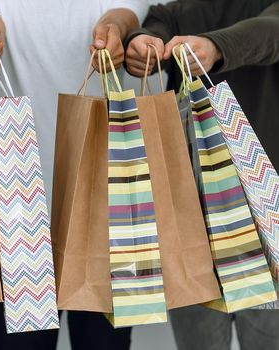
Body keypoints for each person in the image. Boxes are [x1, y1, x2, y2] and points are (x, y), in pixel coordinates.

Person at [0, 0, 148, 349]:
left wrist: (115, 27)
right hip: (22, 212)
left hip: (103, 216)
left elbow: (126, 15)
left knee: (101, 343)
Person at [124, 1, 279, 349]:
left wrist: (214, 47)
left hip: (266, 219)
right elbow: (152, 31)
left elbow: (270, 32)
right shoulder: (173, 12)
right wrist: (141, 43)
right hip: (190, 221)